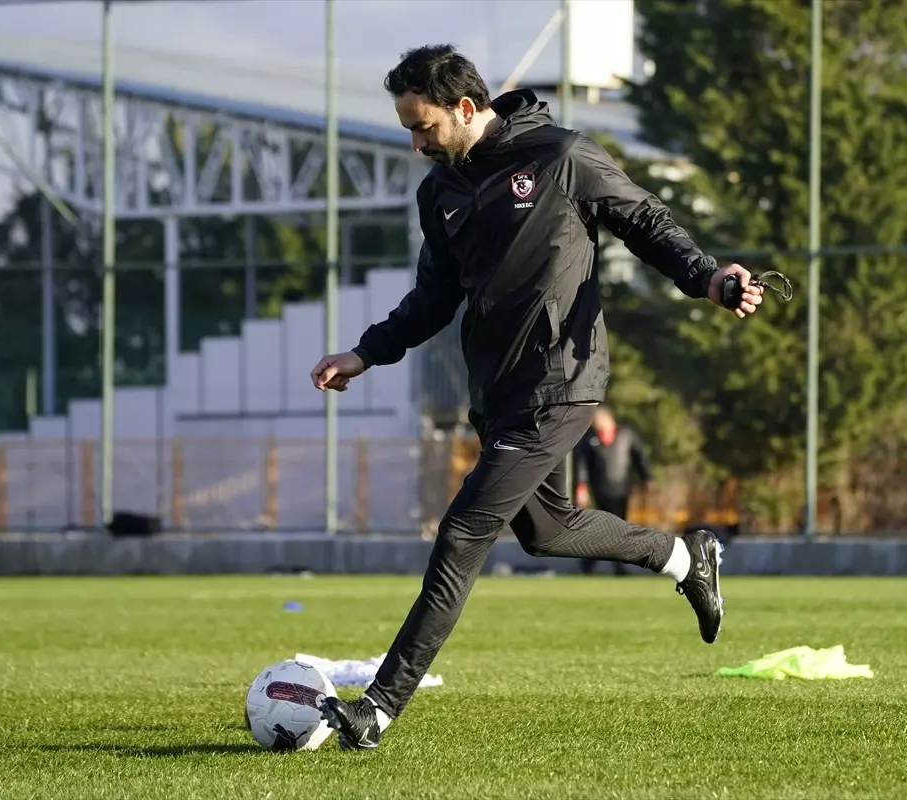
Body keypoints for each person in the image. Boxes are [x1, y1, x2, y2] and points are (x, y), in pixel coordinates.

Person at [309, 44, 766, 751]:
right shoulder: (442, 193)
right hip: (496, 390)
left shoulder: (561, 156)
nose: (415, 142)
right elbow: (435, 294)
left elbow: (645, 221)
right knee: (548, 531)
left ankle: (378, 708)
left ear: (465, 108)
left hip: (561, 381)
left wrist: (708, 277)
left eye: (422, 126)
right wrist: (367, 351)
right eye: (407, 128)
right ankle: (684, 558)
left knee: (463, 533)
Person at [573, 405, 652, 576]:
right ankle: (611, 565)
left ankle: (592, 562)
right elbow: (581, 466)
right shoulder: (590, 440)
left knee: (613, 529)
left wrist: (646, 478)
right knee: (610, 528)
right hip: (601, 489)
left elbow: (639, 456)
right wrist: (581, 487)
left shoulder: (626, 435)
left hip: (622, 489)